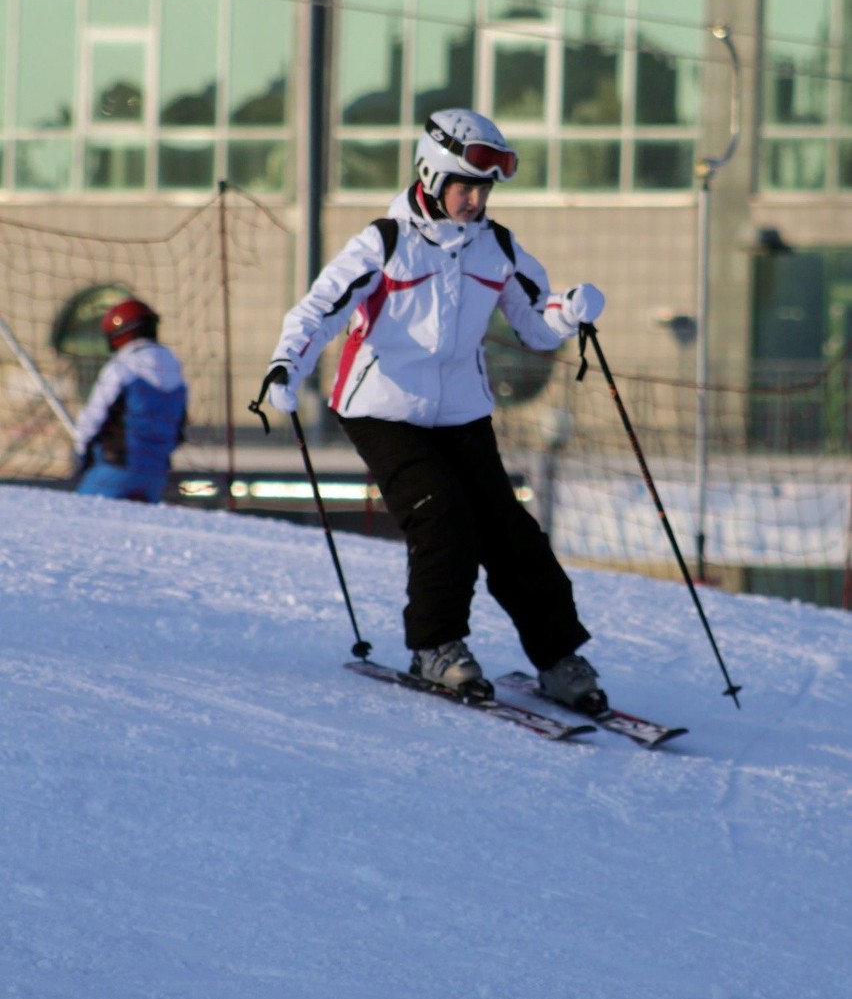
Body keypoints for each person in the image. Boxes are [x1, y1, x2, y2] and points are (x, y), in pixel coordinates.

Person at [261, 109, 607, 709]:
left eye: (484, 189)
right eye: (465, 187)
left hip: (461, 410)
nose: (475, 201)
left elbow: (536, 324)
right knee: (443, 518)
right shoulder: (386, 242)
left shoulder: (495, 247)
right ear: (430, 176)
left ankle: (558, 658)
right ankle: (436, 647)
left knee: (510, 531)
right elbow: (322, 309)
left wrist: (570, 313)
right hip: (381, 407)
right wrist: (286, 364)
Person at [74, 298, 188, 505]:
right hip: (156, 475)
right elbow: (180, 426)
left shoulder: (121, 367)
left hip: (115, 468)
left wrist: (82, 456)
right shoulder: (175, 369)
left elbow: (92, 418)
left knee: (77, 523)